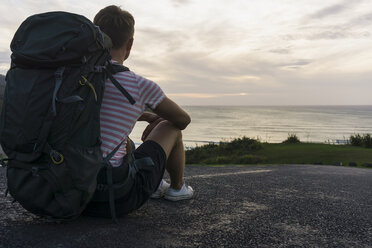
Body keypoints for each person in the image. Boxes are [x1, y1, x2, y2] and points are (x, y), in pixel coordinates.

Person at [83, 5, 194, 218]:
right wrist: (157, 118)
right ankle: (177, 189)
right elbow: (183, 120)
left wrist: (144, 115)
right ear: (130, 43)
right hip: (113, 197)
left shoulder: (75, 79)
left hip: (66, 192)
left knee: (126, 142)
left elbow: (101, 111)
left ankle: (156, 182)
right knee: (170, 126)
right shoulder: (138, 85)